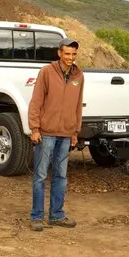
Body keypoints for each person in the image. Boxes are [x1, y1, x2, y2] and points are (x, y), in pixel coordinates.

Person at [27, 36, 83, 231]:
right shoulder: (46, 72)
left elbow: (77, 106)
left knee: (61, 176)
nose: (70, 57)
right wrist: (34, 128)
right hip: (46, 133)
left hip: (66, 134)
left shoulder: (78, 76)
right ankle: (36, 217)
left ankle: (56, 215)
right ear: (59, 53)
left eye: (74, 54)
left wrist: (75, 132)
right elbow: (36, 102)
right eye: (67, 53)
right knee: (41, 175)